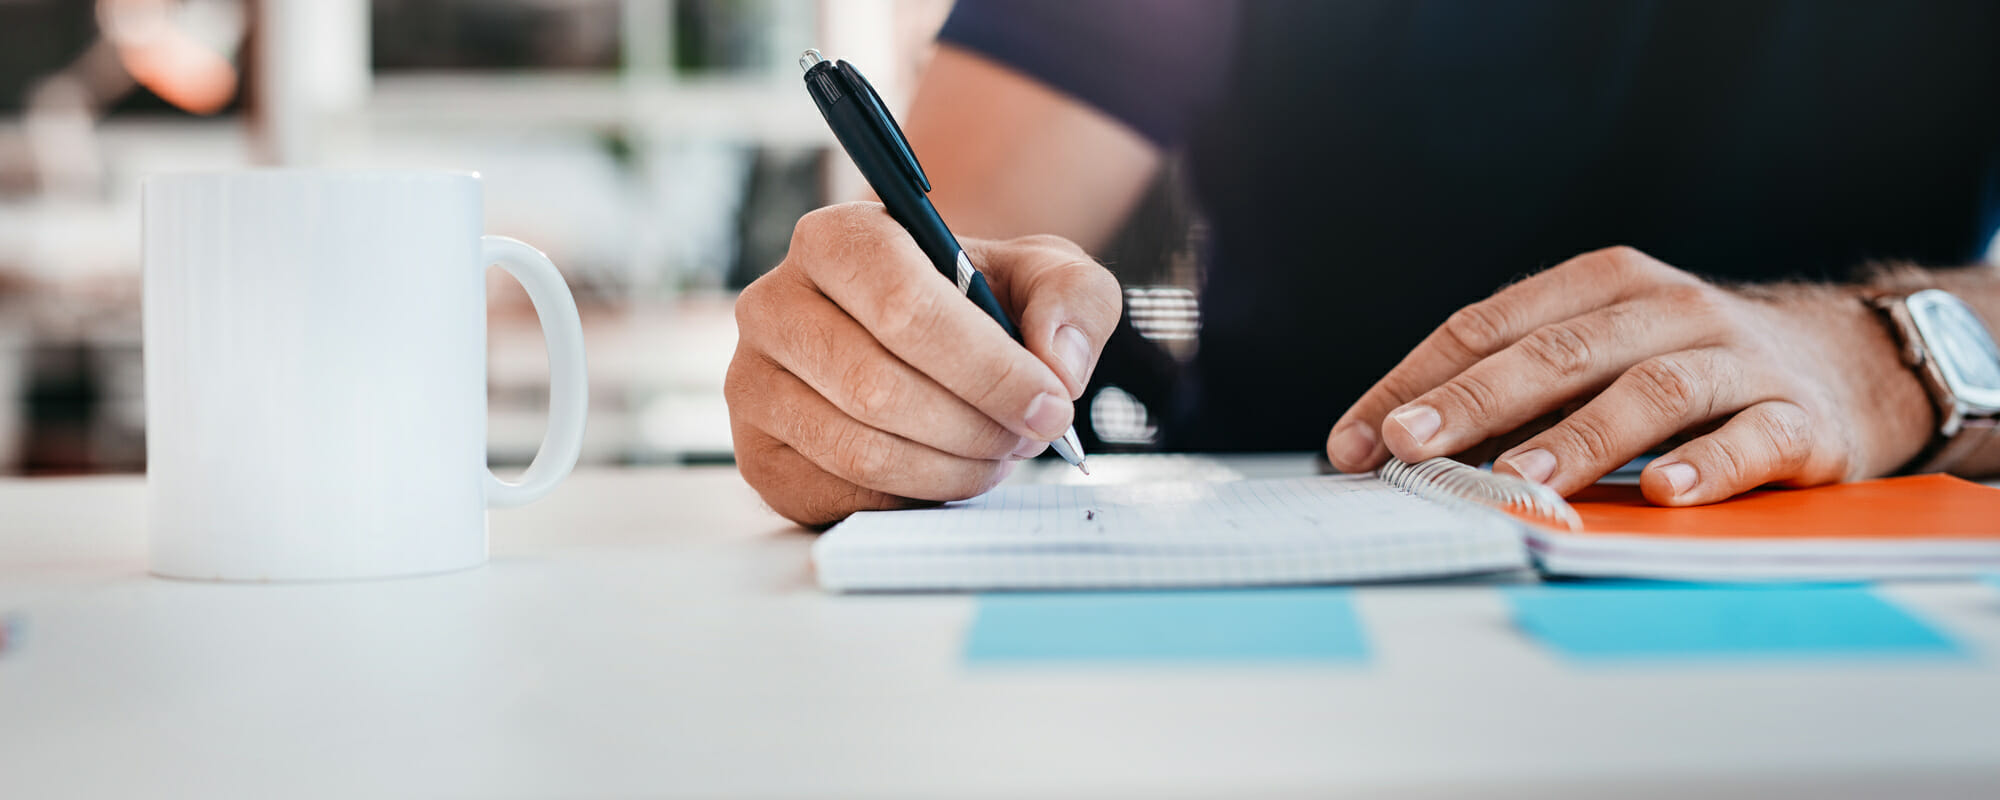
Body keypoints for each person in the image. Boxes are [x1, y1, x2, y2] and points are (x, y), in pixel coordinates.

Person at [726, 0, 2000, 527]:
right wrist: (871, 357)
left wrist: (1896, 353)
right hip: (1296, 572)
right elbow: (942, 247)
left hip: (1875, 546)